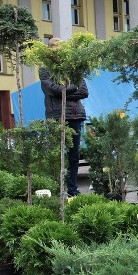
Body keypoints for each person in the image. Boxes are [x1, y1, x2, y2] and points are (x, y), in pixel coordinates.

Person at [40, 37, 89, 197]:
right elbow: (52, 89)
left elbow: (84, 92)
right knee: (57, 155)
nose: (58, 51)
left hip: (75, 117)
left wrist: (64, 91)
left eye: (61, 48)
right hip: (56, 117)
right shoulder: (45, 69)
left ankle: (72, 190)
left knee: (74, 156)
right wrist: (71, 88)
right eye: (55, 48)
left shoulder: (73, 69)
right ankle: (57, 190)